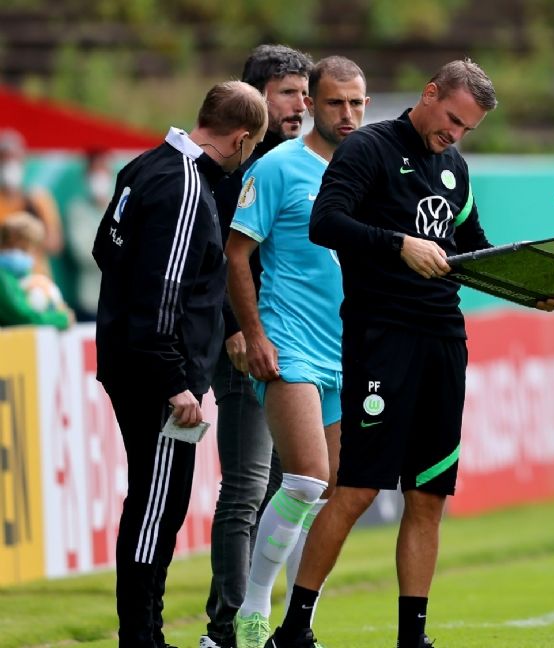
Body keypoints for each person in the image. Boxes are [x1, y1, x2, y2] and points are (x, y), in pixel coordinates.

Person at [262, 59, 554, 648]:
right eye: (452, 119)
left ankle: (412, 639)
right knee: (357, 489)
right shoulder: (368, 147)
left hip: (443, 341)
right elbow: (325, 224)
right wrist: (399, 244)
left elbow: (472, 250)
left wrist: (532, 290)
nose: (455, 134)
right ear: (429, 94)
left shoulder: (455, 168)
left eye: (467, 129)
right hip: (381, 337)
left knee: (428, 496)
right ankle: (293, 629)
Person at [93, 80, 268, 648]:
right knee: (157, 507)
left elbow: (105, 250)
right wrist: (175, 382)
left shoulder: (144, 166)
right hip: (161, 376)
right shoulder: (187, 187)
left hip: (131, 360)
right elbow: (164, 293)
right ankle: (141, 636)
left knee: (155, 501)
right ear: (241, 139)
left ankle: (146, 632)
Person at [225, 55, 370, 648]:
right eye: (335, 102)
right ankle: (253, 606)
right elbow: (236, 254)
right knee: (307, 479)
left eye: (357, 103)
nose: (348, 114)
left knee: (332, 494)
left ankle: (296, 622)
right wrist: (255, 334)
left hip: (349, 351)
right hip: (291, 343)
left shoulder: (372, 169)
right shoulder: (279, 167)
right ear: (311, 103)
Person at [201, 44, 313, 648]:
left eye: (304, 92)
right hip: (248, 346)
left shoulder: (307, 161)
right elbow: (217, 259)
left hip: (296, 348)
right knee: (247, 490)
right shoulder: (238, 170)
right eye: (288, 92)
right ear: (256, 99)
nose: (301, 104)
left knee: (285, 491)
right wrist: (238, 329)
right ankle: (226, 629)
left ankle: (257, 623)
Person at [0, 129, 64, 274]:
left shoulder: (38, 199)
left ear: (23, 160)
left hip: (36, 276)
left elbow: (55, 244)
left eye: (14, 158)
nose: (10, 164)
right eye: (4, 158)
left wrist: (26, 237)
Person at [0, 210, 73, 329]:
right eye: (20, 248)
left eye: (26, 250)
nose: (20, 254)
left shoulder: (24, 276)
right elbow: (22, 317)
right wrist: (60, 319)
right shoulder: (2, 277)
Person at [66, 150, 115, 321]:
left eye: (103, 170)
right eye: (95, 171)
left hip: (120, 301)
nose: (99, 176)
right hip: (90, 302)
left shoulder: (123, 207)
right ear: (86, 176)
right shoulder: (77, 210)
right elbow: (84, 254)